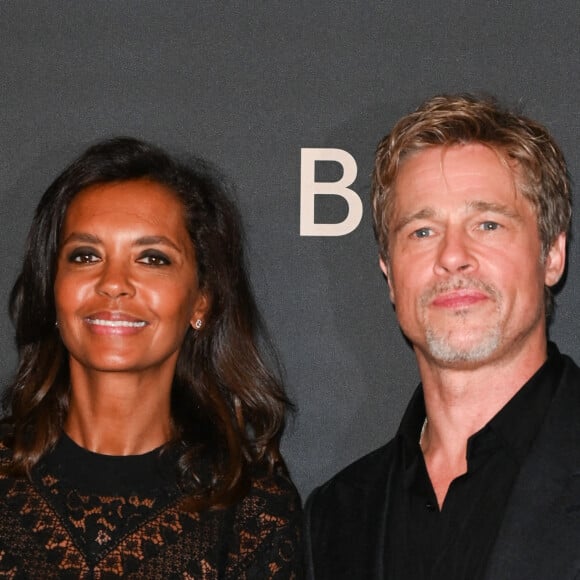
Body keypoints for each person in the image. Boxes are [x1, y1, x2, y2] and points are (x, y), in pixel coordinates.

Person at [305, 94, 580, 579]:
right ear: (389, 274)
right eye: (423, 232)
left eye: (488, 224)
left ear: (552, 254)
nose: (453, 256)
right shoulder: (336, 516)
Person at [0, 137, 301, 578]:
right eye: (85, 256)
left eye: (152, 258)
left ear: (201, 300)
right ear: (53, 289)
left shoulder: (251, 513)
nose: (114, 283)